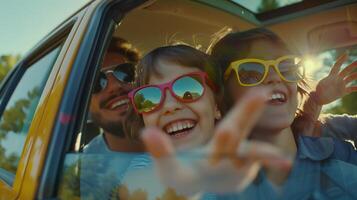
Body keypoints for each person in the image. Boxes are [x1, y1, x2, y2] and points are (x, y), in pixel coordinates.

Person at [120, 44, 291, 199]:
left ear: (216, 106)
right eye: (149, 98)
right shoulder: (146, 166)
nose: (170, 106)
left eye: (188, 88)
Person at [208, 28, 357, 199]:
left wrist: (315, 116)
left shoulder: (336, 153)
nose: (275, 77)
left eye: (286, 68)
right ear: (220, 98)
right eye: (251, 73)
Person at [81, 37, 149, 200]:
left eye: (126, 73)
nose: (114, 86)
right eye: (96, 82)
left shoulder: (186, 137)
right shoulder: (82, 173)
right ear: (84, 104)